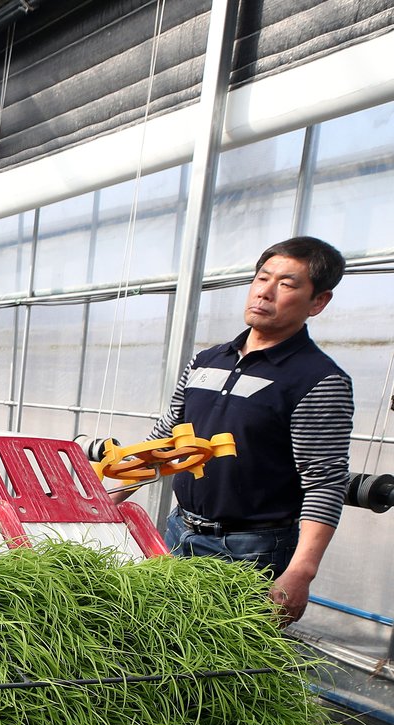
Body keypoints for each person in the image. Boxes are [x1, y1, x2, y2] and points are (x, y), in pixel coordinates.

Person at [150, 236, 353, 626]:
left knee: (226, 668)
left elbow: (324, 481)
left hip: (250, 549)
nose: (265, 292)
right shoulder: (207, 360)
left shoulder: (318, 380)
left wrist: (299, 573)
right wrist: (111, 491)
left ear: (318, 302)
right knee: (165, 646)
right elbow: (167, 434)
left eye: (287, 284)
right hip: (180, 529)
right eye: (262, 278)